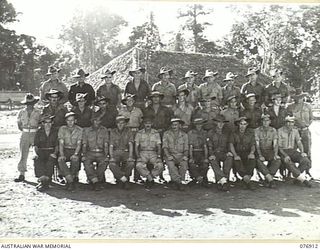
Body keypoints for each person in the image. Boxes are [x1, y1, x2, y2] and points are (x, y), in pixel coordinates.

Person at [278, 115, 312, 187]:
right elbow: (279, 147)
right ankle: (303, 180)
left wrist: (302, 152)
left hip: (293, 151)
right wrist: (285, 155)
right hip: (283, 152)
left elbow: (299, 142)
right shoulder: (280, 131)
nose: (290, 124)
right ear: (285, 123)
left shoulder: (295, 131)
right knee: (289, 162)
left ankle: (297, 177)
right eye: (288, 122)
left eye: (292, 122)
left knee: (306, 160)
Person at [14, 93, 41, 182]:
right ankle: (22, 174)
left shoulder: (38, 112)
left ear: (34, 103)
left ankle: (39, 175)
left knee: (36, 154)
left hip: (35, 134)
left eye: (31, 104)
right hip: (25, 134)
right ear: (25, 104)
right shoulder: (21, 112)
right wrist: (25, 130)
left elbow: (41, 124)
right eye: (28, 104)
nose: (29, 106)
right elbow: (19, 125)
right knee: (23, 154)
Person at [82, 113, 109, 191]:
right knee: (86, 162)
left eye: (99, 120)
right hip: (90, 152)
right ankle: (96, 181)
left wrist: (106, 155)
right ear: (92, 121)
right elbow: (84, 144)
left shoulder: (104, 130)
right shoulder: (87, 131)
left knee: (104, 162)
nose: (97, 122)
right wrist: (84, 154)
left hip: (101, 152)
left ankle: (94, 180)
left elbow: (106, 144)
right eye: (95, 120)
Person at [135, 116, 164, 188]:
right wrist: (138, 157)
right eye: (146, 123)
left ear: (152, 124)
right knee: (138, 165)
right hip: (143, 153)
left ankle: (150, 178)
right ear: (144, 124)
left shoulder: (156, 133)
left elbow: (159, 146)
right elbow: (136, 146)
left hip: (153, 153)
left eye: (149, 123)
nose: (148, 125)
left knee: (160, 166)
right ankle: (150, 178)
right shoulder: (139, 133)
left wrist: (159, 156)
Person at [57, 112, 83, 191]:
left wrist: (75, 154)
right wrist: (61, 154)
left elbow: (79, 144)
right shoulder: (62, 129)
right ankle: (71, 180)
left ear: (75, 120)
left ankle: (69, 181)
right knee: (60, 160)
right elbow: (61, 143)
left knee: (75, 160)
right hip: (65, 149)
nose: (70, 122)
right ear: (66, 121)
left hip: (75, 149)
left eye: (72, 120)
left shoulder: (80, 130)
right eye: (68, 120)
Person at [229, 117, 256, 190]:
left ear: (247, 125)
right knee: (237, 160)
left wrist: (251, 153)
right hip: (238, 152)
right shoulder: (234, 133)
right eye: (241, 124)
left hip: (247, 152)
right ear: (238, 124)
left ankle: (245, 180)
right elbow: (231, 145)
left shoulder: (250, 133)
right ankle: (247, 181)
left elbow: (253, 145)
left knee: (252, 158)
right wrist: (235, 155)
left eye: (244, 124)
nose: (242, 126)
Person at [207, 115, 233, 191]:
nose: (221, 124)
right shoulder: (211, 132)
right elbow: (210, 146)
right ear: (215, 123)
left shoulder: (227, 132)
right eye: (219, 122)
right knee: (212, 160)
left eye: (222, 123)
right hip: (215, 153)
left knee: (229, 158)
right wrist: (211, 154)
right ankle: (224, 181)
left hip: (224, 152)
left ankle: (222, 180)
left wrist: (229, 151)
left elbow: (229, 143)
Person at [254, 114, 281, 188]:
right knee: (258, 161)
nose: (265, 122)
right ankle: (271, 180)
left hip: (269, 151)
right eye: (264, 121)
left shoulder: (273, 130)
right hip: (260, 151)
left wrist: (275, 154)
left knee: (277, 160)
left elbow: (275, 144)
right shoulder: (257, 130)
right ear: (262, 122)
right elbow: (257, 145)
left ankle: (268, 178)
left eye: (267, 120)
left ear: (270, 121)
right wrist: (260, 155)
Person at [33, 114, 58, 191]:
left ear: (52, 123)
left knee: (50, 160)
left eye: (49, 122)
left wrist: (55, 153)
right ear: (43, 123)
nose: (48, 124)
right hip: (41, 150)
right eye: (46, 122)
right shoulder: (39, 132)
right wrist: (34, 153)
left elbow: (57, 145)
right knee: (37, 159)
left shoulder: (55, 131)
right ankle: (42, 180)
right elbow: (35, 145)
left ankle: (46, 180)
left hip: (51, 150)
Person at [109, 116, 135, 189]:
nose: (120, 125)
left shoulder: (128, 131)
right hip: (116, 151)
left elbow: (130, 144)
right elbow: (111, 145)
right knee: (111, 164)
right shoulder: (113, 131)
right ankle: (124, 180)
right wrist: (111, 157)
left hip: (125, 151)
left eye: (122, 123)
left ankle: (122, 179)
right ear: (116, 124)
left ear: (125, 124)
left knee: (131, 163)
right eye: (118, 123)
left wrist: (130, 156)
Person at [162, 118, 189, 191]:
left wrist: (185, 156)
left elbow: (186, 148)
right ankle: (179, 182)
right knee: (171, 165)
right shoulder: (166, 134)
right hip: (170, 154)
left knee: (184, 164)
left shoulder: (184, 135)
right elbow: (165, 147)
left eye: (176, 125)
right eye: (173, 125)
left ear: (179, 125)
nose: (174, 127)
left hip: (181, 155)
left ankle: (177, 181)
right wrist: (168, 156)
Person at [287, 91, 313, 159]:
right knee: (293, 149)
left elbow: (311, 118)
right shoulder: (290, 107)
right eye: (297, 98)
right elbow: (287, 118)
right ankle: (293, 168)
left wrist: (307, 125)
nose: (298, 99)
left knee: (307, 149)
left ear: (303, 97)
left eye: (300, 97)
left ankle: (307, 167)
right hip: (295, 130)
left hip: (305, 131)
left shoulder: (308, 106)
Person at [187, 118, 209, 187]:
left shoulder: (204, 133)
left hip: (202, 152)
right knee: (191, 164)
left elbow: (205, 146)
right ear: (195, 125)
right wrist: (191, 157)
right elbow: (190, 146)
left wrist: (205, 157)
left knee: (205, 164)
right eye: (197, 124)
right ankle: (196, 178)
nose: (199, 126)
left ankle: (203, 178)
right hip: (193, 152)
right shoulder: (190, 133)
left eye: (200, 124)